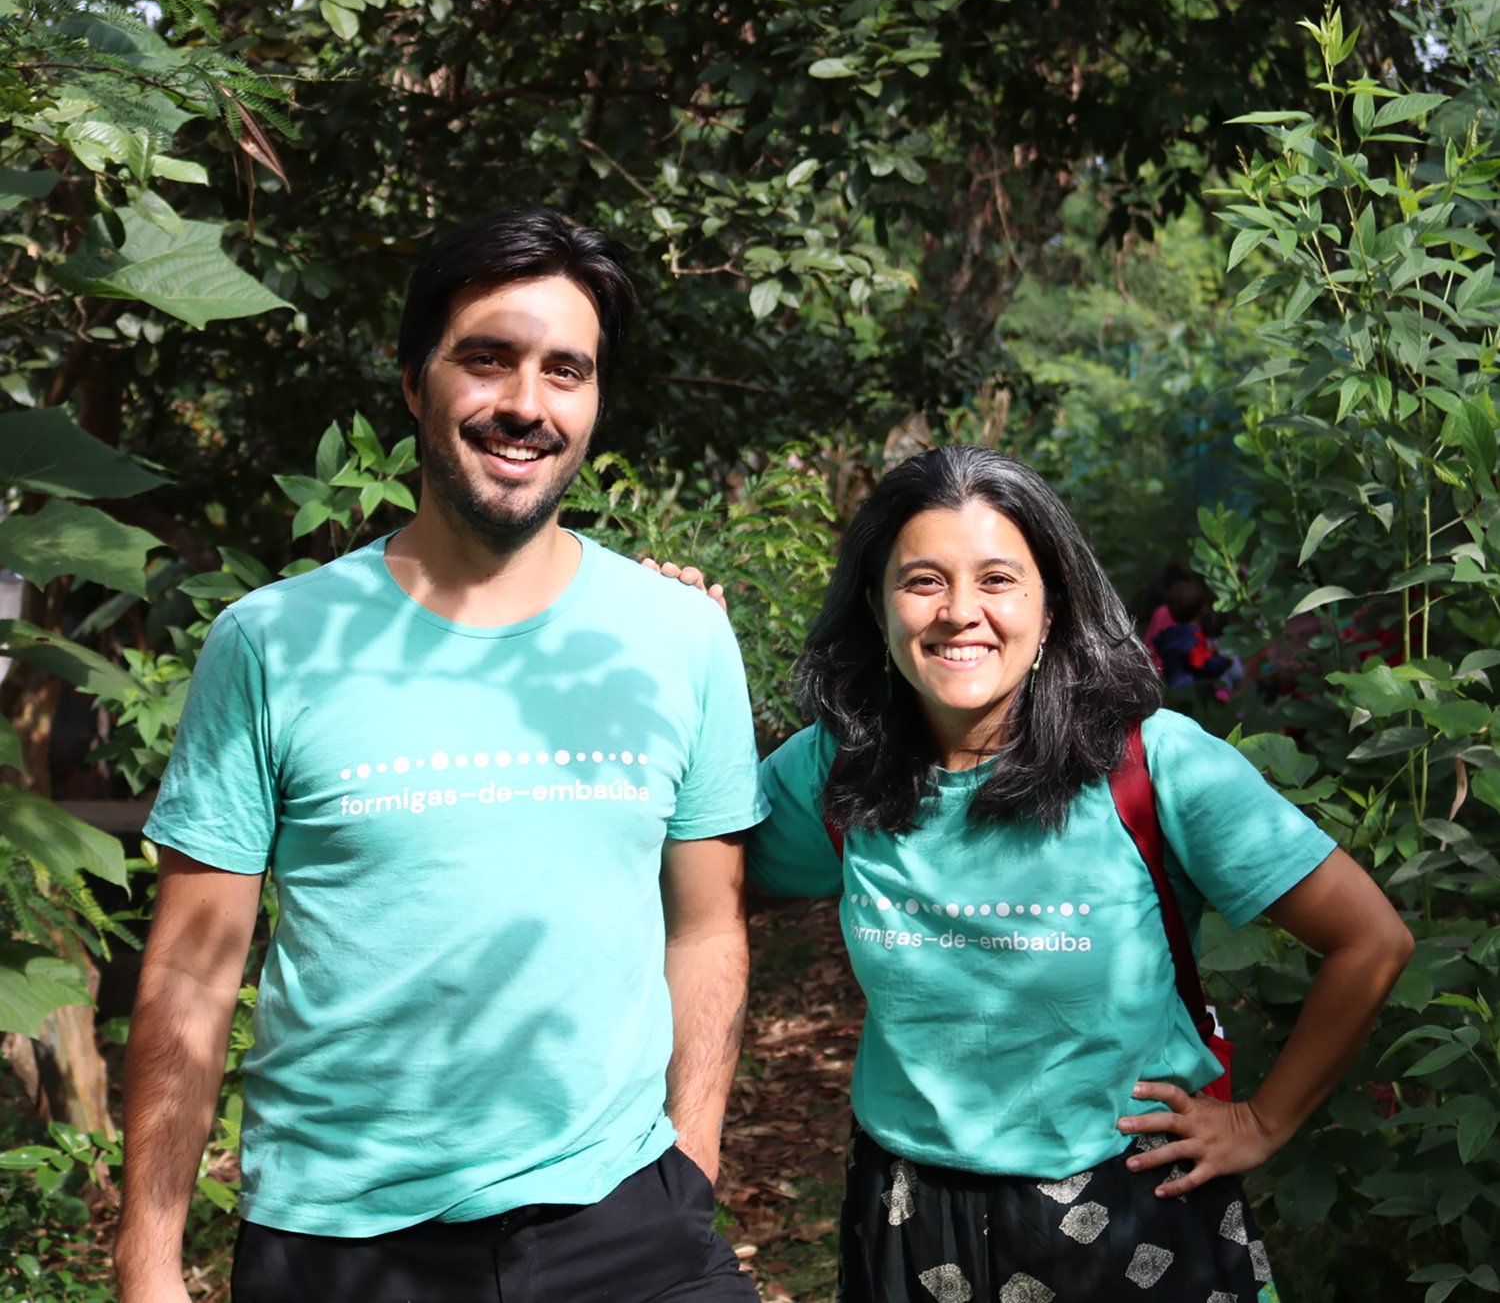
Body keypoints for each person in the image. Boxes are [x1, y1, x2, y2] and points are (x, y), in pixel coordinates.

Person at [115, 207, 765, 1303]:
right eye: (488, 358)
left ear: (596, 401)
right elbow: (192, 968)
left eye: (566, 371)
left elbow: (705, 927)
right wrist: (148, 1266)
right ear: (415, 382)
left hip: (629, 1223)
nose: (526, 404)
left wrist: (690, 1165)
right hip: (346, 1244)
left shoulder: (680, 636)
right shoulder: (273, 644)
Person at [747, 445, 1412, 1303]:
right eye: (922, 581)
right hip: (908, 1207)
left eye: (998, 580)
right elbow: (686, 867)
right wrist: (671, 653)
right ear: (877, 608)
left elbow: (1371, 940)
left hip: (1130, 1207)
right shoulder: (838, 770)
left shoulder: (1153, 766)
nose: (960, 612)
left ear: (1051, 604)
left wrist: (1259, 1121)